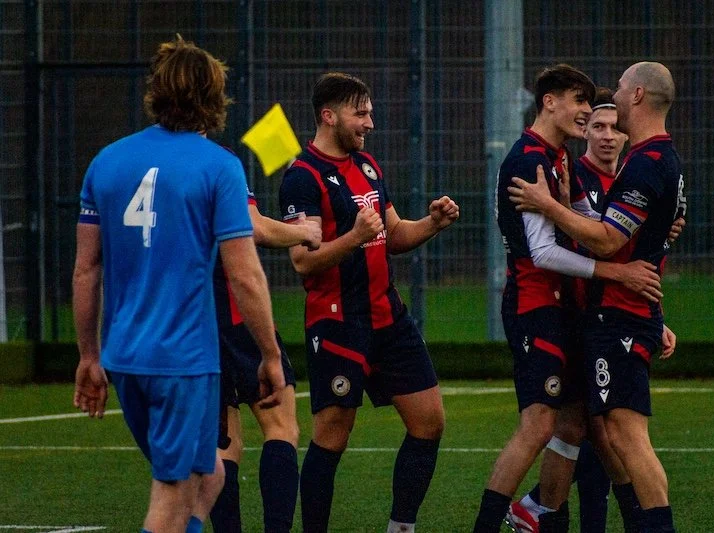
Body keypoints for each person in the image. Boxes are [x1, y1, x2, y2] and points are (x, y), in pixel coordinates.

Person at [72, 36, 285, 533]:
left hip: (125, 358)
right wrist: (269, 354)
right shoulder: (219, 167)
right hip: (183, 364)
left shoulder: (106, 161)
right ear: (215, 98)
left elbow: (87, 269)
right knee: (171, 497)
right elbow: (245, 273)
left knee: (207, 475)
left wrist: (88, 355)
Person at [474, 65, 665, 533]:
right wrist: (615, 269)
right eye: (579, 103)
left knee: (582, 423)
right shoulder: (527, 160)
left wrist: (644, 230)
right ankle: (490, 523)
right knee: (540, 424)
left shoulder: (556, 156)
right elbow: (540, 251)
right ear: (549, 102)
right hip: (533, 307)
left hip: (566, 309)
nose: (587, 112)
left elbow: (587, 217)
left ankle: (539, 515)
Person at [278, 72, 459, 533]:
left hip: (388, 316)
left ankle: (401, 527)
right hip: (338, 321)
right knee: (333, 433)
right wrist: (356, 237)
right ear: (329, 115)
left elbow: (393, 234)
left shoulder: (369, 167)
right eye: (361, 113)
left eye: (370, 113)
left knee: (429, 422)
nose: (370, 123)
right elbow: (303, 260)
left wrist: (432, 223)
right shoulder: (302, 177)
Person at [210, 194, 321, 533]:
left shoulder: (147, 166)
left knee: (223, 443)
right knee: (281, 426)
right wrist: (304, 232)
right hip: (236, 312)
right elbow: (254, 227)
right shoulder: (216, 162)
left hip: (189, 322)